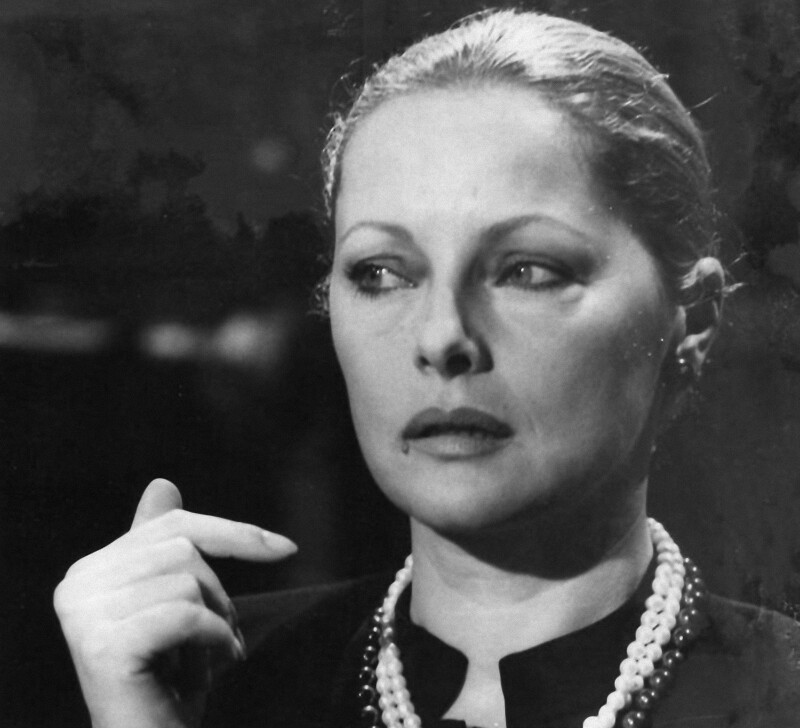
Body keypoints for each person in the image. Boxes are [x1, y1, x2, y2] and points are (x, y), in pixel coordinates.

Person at [54, 9, 800, 728]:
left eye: (528, 270)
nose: (443, 338)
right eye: (382, 273)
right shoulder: (213, 683)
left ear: (692, 320)